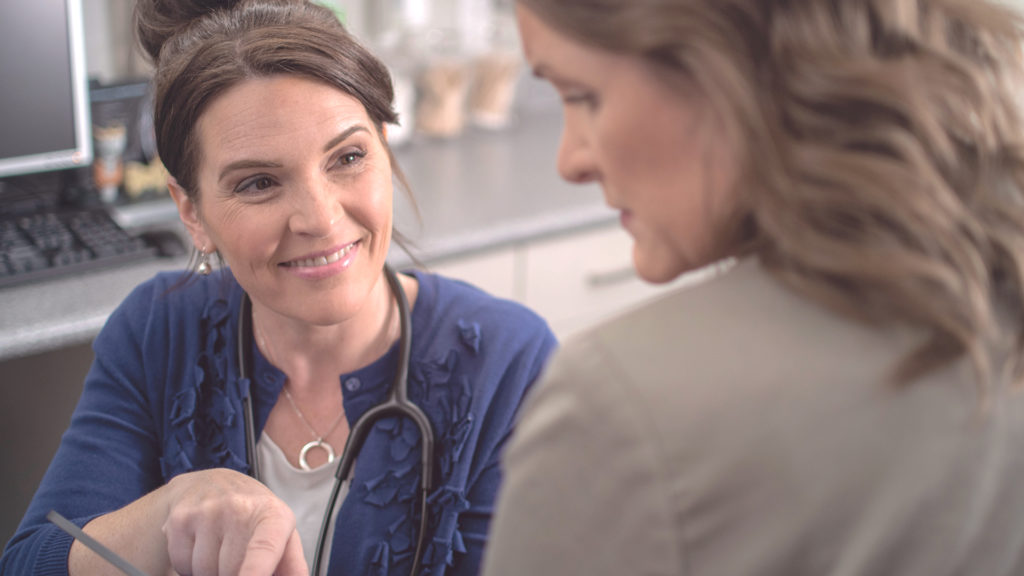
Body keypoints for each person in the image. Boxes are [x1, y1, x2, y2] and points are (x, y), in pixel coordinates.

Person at [0, 1, 556, 575]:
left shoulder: (507, 361)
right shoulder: (159, 329)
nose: (319, 218)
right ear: (190, 211)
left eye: (348, 157)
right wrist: (167, 513)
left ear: (385, 150)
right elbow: (29, 563)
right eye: (260, 182)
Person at [482, 0, 1024, 575]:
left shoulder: (619, 412)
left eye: (583, 95)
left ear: (722, 66)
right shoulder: (997, 296)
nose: (571, 161)